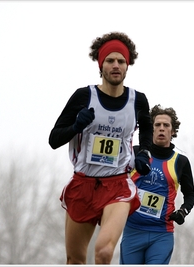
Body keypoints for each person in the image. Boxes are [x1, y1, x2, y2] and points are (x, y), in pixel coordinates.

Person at [48, 31, 153, 264]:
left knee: (104, 252)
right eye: (110, 60)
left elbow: (146, 129)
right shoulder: (84, 96)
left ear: (128, 66)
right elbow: (54, 139)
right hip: (83, 184)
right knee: (75, 259)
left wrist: (144, 153)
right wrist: (76, 126)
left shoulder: (139, 100)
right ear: (100, 64)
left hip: (117, 185)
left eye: (121, 61)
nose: (116, 65)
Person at [119, 104, 194, 264]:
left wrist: (183, 211)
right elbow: (115, 180)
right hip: (132, 230)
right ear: (151, 129)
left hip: (161, 234)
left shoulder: (181, 162)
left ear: (173, 131)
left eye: (166, 125)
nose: (161, 128)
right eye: (157, 125)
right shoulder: (134, 153)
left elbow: (190, 195)